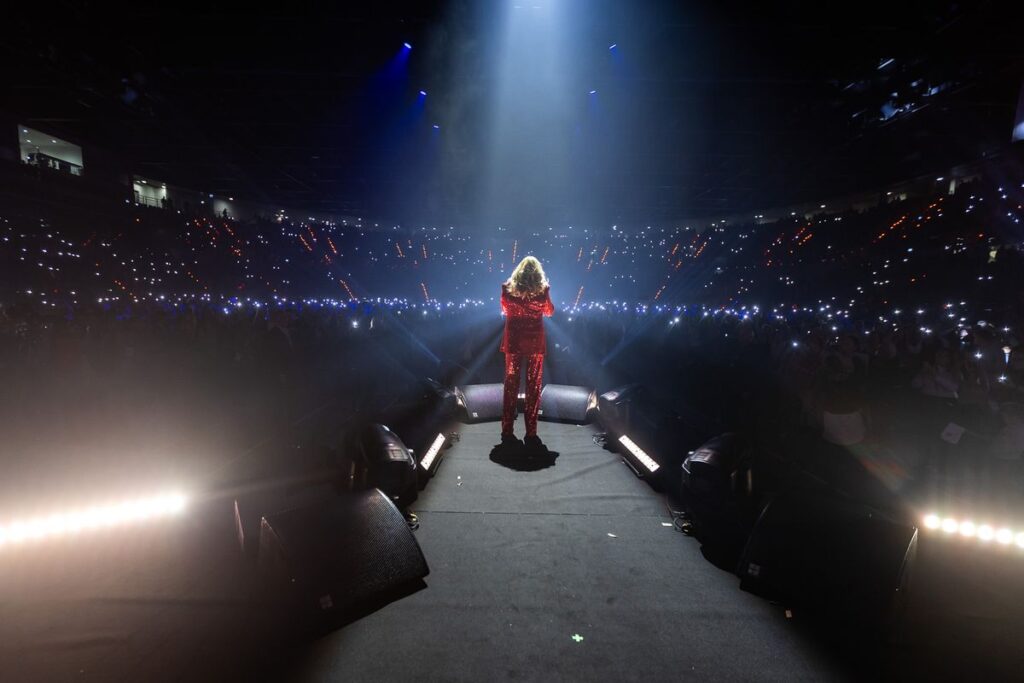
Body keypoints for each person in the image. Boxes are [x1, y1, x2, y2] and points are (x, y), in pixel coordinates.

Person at [499, 256, 554, 444]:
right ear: (538, 272)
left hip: (514, 341)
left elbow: (505, 309)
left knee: (511, 385)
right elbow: (549, 311)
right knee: (533, 387)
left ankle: (507, 429)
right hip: (534, 342)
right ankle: (531, 432)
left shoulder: (507, 288)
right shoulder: (543, 290)